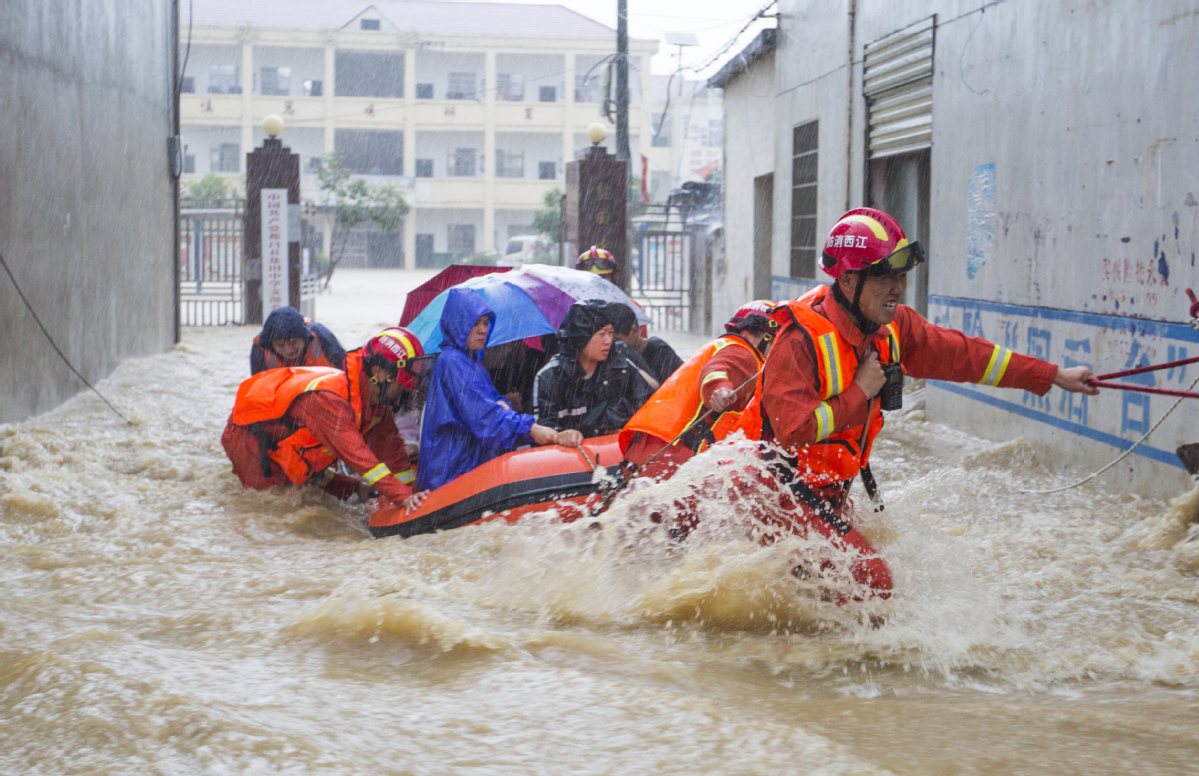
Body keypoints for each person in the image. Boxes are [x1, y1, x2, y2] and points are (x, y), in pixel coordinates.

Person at [731, 207, 1099, 598]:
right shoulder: (798, 340)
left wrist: (1051, 375)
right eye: (885, 277)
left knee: (869, 573)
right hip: (773, 492)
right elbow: (793, 430)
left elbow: (965, 355)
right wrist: (860, 391)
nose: (898, 288)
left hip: (822, 494)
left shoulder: (893, 328)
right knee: (875, 581)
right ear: (850, 279)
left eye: (901, 276)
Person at [222, 327, 431, 511]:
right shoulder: (330, 401)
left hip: (284, 435)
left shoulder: (375, 400)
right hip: (248, 436)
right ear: (378, 372)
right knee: (277, 502)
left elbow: (390, 448)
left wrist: (410, 490)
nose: (403, 388)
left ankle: (354, 489)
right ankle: (351, 488)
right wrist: (401, 497)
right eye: (400, 382)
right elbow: (358, 457)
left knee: (307, 477)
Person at [418, 288, 565, 493]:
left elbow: (492, 406)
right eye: (475, 323)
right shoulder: (453, 362)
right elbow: (486, 419)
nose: (483, 330)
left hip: (466, 464)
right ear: (459, 324)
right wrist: (531, 429)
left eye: (486, 323)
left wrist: (503, 408)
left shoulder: (471, 364)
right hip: (452, 472)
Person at [620, 300, 782, 481]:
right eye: (777, 342)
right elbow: (717, 371)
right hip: (676, 454)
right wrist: (718, 390)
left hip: (645, 447)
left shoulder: (719, 346)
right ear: (759, 335)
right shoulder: (744, 353)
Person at [533, 299, 653, 443]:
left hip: (616, 456)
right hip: (572, 460)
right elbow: (541, 430)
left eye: (611, 333)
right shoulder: (549, 377)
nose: (608, 340)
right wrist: (560, 435)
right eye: (602, 334)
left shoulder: (621, 368)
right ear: (581, 337)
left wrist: (627, 429)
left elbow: (648, 409)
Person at [250, 305, 347, 374]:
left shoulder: (320, 336)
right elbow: (259, 392)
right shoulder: (261, 347)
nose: (288, 350)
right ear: (271, 346)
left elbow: (347, 372)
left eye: (293, 342)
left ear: (304, 338)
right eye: (280, 345)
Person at [606, 302, 684, 384]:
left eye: (617, 339)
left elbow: (677, 383)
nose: (613, 344)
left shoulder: (658, 350)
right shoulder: (616, 356)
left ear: (634, 330)